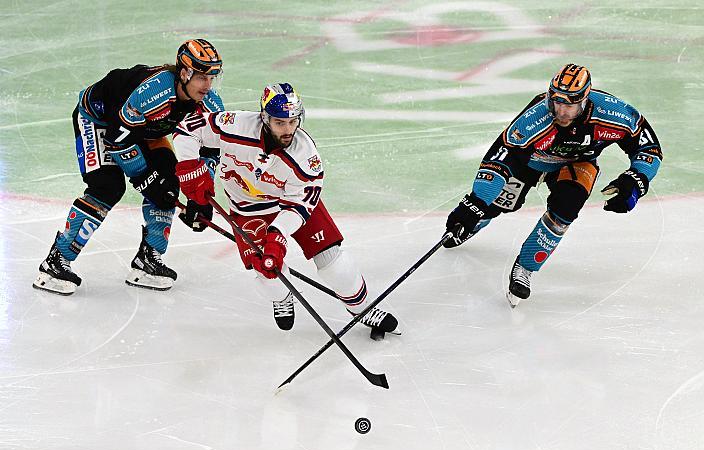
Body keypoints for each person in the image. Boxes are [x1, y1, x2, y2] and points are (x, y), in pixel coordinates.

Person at [172, 83, 400, 336]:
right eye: (280, 123)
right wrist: (191, 171)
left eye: (293, 121)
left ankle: (362, 308)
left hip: (290, 203)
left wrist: (278, 235)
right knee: (267, 272)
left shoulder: (306, 156)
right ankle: (282, 297)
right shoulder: (236, 125)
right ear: (264, 118)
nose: (288, 129)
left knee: (332, 261)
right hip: (248, 208)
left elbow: (300, 204)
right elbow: (187, 130)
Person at [444, 64, 663, 307]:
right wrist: (474, 204)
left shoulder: (616, 114)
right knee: (500, 204)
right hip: (532, 161)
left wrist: (633, 183)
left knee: (566, 209)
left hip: (578, 162)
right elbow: (497, 162)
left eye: (569, 104)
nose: (561, 110)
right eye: (556, 102)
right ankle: (476, 222)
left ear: (585, 100)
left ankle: (526, 267)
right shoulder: (534, 119)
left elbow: (649, 150)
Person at [33, 39, 225, 295]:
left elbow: (210, 150)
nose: (208, 85)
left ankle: (148, 260)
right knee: (107, 187)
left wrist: (199, 197)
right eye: (202, 77)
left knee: (168, 183)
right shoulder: (153, 94)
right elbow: (117, 139)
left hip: (144, 127)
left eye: (212, 77)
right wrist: (145, 178)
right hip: (99, 120)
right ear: (184, 73)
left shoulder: (210, 104)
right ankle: (56, 261)